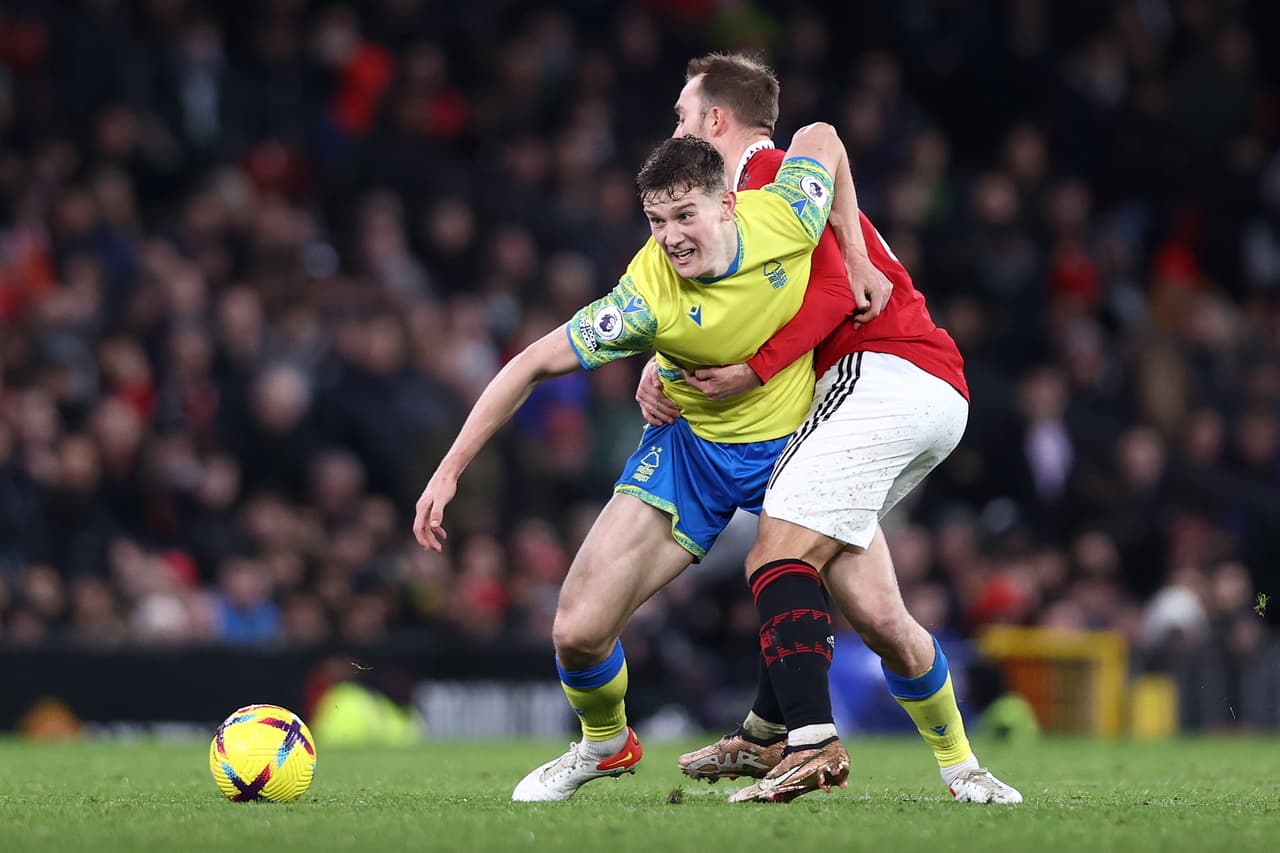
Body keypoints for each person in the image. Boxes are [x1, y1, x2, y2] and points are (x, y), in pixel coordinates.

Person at [412, 126, 858, 801]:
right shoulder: (643, 295)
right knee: (577, 631)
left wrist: (854, 248)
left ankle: (959, 763)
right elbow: (530, 363)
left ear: (728, 205)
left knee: (883, 616)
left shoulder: (788, 211)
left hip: (795, 447)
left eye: (685, 215)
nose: (671, 236)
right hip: (695, 450)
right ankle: (605, 742)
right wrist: (448, 471)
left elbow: (822, 137)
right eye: (656, 220)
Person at [636, 53, 1023, 804]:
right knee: (876, 611)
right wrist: (668, 356)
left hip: (879, 371)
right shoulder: (751, 199)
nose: (676, 128)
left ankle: (806, 742)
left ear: (717, 121)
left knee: (773, 552)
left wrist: (751, 370)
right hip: (924, 388)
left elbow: (836, 246)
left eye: (684, 115)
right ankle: (961, 766)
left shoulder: (764, 177)